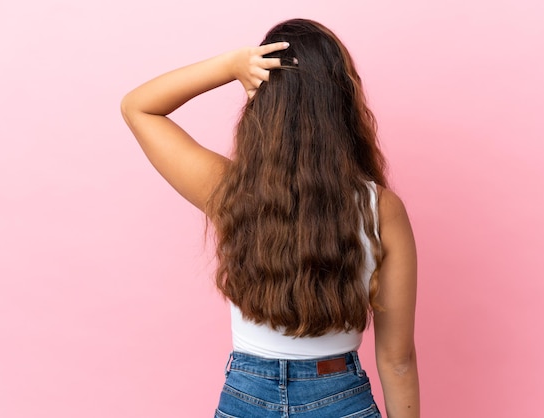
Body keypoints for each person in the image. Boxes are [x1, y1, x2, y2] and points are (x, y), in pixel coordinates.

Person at [121, 18, 419, 418]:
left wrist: (231, 66)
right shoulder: (381, 209)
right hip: (341, 397)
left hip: (246, 396)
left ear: (264, 105)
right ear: (342, 102)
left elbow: (139, 107)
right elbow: (397, 361)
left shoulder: (229, 191)